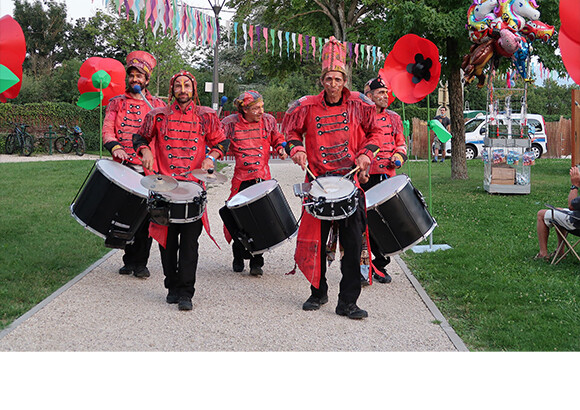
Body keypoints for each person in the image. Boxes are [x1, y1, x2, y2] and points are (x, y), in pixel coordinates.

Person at [282, 36, 382, 320]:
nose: (333, 84)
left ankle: (348, 302)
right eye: (328, 79)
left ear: (344, 80)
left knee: (352, 246)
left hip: (349, 183)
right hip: (318, 183)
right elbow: (290, 134)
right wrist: (297, 149)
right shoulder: (307, 106)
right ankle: (318, 291)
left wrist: (366, 155)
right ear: (322, 81)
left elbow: (376, 134)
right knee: (315, 242)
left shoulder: (360, 105)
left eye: (338, 79)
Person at [133, 70, 229, 311]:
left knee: (189, 243)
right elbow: (139, 137)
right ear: (172, 89)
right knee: (167, 242)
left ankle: (186, 292)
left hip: (193, 189)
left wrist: (211, 157)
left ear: (193, 89)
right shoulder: (157, 116)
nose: (183, 90)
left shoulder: (206, 116)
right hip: (164, 188)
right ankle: (171, 286)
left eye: (187, 85)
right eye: (178, 86)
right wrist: (144, 150)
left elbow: (221, 141)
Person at [102, 50, 166, 278]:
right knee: (125, 215)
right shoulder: (116, 102)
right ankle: (128, 260)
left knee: (146, 217)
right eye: (132, 76)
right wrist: (115, 146)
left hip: (148, 170)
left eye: (140, 76)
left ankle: (141, 263)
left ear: (147, 80)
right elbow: (108, 128)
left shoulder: (157, 104)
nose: (135, 80)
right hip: (123, 168)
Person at [221, 90, 287, 276]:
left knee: (262, 221)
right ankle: (238, 252)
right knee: (238, 219)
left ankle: (257, 262)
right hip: (241, 178)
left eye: (262, 106)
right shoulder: (230, 123)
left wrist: (281, 148)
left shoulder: (268, 121)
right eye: (256, 108)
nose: (261, 111)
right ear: (244, 109)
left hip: (262, 177)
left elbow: (277, 138)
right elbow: (219, 142)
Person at [359, 76, 407, 284]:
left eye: (386, 92)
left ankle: (381, 264)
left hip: (388, 177)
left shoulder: (394, 118)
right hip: (365, 177)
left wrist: (398, 157)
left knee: (386, 222)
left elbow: (401, 144)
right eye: (380, 93)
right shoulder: (359, 117)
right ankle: (363, 266)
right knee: (363, 223)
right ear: (369, 96)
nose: (385, 96)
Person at [535, 166, 580, 261]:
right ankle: (560, 250)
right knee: (559, 211)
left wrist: (575, 185)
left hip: (577, 224)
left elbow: (572, 205)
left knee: (541, 214)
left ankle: (543, 253)